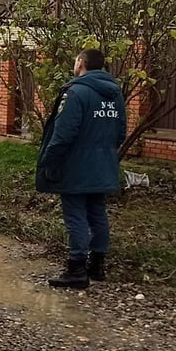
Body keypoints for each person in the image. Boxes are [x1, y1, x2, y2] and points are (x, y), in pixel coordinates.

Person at [36, 48, 126, 289]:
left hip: (76, 166)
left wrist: (49, 161)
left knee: (75, 215)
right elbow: (121, 132)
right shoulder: (115, 94)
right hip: (103, 165)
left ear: (80, 63)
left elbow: (63, 134)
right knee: (97, 212)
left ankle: (76, 269)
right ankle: (97, 265)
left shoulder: (76, 93)